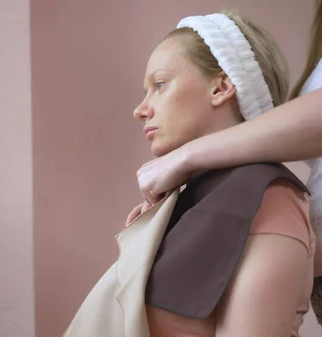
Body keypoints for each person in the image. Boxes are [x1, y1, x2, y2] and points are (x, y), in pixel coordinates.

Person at [134, 1, 322, 324]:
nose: (140, 110)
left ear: (221, 87)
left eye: (160, 85)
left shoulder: (266, 201)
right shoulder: (198, 199)